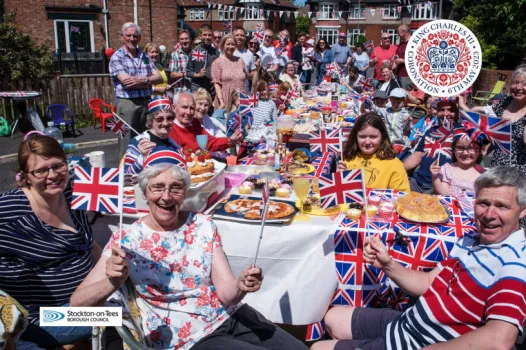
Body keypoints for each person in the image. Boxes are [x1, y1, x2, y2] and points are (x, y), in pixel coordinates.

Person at [71, 163, 309, 350]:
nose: (167, 196)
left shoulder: (203, 224)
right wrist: (112, 282)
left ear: (184, 192)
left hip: (229, 316)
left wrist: (241, 285)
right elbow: (76, 305)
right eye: (157, 187)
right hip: (187, 337)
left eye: (176, 187)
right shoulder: (126, 241)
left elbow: (227, 294)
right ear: (145, 193)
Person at [313, 166, 526, 350]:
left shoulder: (515, 263)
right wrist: (388, 264)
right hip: (411, 322)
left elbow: (500, 339)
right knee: (332, 317)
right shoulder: (472, 238)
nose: (489, 214)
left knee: (317, 347)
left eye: (502, 206)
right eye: (483, 203)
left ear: (523, 211)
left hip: (426, 342)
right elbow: (428, 283)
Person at [0, 134, 98, 348]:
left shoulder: (72, 194)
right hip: (45, 317)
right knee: (120, 315)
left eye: (58, 165)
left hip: (90, 295)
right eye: (42, 170)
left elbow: (88, 245)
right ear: (25, 176)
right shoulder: (10, 212)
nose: (53, 175)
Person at [109, 22, 163, 159]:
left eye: (135, 36)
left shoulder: (144, 56)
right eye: (128, 35)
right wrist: (148, 80)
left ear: (139, 37)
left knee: (146, 139)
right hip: (127, 105)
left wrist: (142, 80)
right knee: (126, 141)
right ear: (122, 36)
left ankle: (143, 171)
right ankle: (125, 174)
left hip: (146, 103)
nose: (131, 38)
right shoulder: (117, 57)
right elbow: (127, 83)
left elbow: (159, 77)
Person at [337, 113, 410, 192]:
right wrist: (338, 178)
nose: (367, 142)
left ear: (382, 137)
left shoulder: (394, 164)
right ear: (355, 137)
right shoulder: (348, 158)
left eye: (373, 137)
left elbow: (402, 196)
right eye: (362, 137)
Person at [404, 98, 464, 193]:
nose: (445, 114)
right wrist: (398, 168)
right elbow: (416, 157)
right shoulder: (431, 131)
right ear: (437, 112)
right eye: (441, 110)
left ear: (456, 113)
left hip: (441, 186)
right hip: (417, 181)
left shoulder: (462, 133)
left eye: (450, 110)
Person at [124, 96, 183, 174]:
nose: (165, 123)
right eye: (159, 119)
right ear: (151, 120)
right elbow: (126, 174)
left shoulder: (175, 145)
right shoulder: (138, 142)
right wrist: (142, 157)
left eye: (169, 118)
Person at [169, 92, 243, 153]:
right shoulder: (169, 128)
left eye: (192, 108)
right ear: (173, 108)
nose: (188, 112)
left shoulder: (194, 122)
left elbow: (209, 142)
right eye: (184, 107)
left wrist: (230, 141)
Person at [489, 65, 526, 173]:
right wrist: (462, 105)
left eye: (524, 84)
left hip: (519, 174)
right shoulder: (506, 101)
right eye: (515, 82)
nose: (518, 87)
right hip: (496, 169)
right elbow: (484, 112)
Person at [431, 125, 487, 197]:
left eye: (471, 148)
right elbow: (444, 195)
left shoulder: (485, 174)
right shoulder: (447, 170)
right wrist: (435, 177)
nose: (465, 153)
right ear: (453, 149)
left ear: (480, 150)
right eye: (460, 148)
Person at [211, 34, 249, 110]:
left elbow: (244, 79)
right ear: (223, 45)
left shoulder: (240, 61)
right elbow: (216, 84)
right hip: (225, 99)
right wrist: (221, 101)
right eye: (228, 44)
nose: (230, 47)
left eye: (233, 44)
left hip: (240, 99)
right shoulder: (217, 63)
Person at [194, 88, 230, 160]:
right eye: (200, 104)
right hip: (204, 158)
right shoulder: (191, 122)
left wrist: (226, 143)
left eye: (206, 105)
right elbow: (206, 145)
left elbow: (218, 133)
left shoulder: (206, 118)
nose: (203, 108)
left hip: (219, 154)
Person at [186, 24, 220, 97]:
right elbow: (188, 72)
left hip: (212, 88)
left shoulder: (216, 53)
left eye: (209, 35)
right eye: (205, 35)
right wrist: (197, 75)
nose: (207, 37)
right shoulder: (195, 52)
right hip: (197, 87)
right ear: (200, 36)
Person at [233, 27, 257, 91]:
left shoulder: (249, 54)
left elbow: (253, 73)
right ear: (233, 37)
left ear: (245, 38)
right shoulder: (228, 52)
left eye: (242, 35)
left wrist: (246, 75)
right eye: (237, 35)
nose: (239, 37)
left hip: (244, 89)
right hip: (230, 88)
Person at [169, 30, 193, 94]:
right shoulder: (175, 54)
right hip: (180, 89)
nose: (184, 41)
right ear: (179, 41)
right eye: (182, 39)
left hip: (194, 89)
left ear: (190, 39)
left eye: (186, 38)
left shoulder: (195, 53)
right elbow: (172, 74)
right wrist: (186, 74)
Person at [392, 24, 411, 89]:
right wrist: (395, 62)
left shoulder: (413, 43)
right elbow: (397, 56)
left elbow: (418, 60)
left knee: (406, 96)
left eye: (398, 33)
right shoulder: (402, 44)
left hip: (407, 75)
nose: (398, 35)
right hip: (399, 74)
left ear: (403, 32)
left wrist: (403, 61)